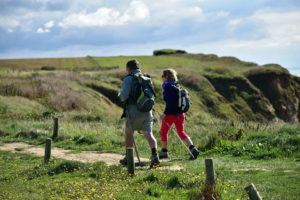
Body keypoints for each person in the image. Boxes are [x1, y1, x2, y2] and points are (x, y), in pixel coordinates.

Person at [118, 59, 160, 167]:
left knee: (129, 133)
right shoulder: (147, 78)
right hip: (147, 111)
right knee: (149, 134)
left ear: (129, 68)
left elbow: (123, 96)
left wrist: (120, 93)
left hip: (133, 111)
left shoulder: (129, 79)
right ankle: (155, 156)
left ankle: (128, 158)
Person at [159, 69, 199, 159]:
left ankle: (164, 152)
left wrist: (164, 114)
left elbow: (170, 103)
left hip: (170, 115)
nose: (161, 77)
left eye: (162, 76)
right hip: (180, 114)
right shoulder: (177, 86)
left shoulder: (168, 87)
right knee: (181, 132)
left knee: (164, 131)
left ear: (166, 77)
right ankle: (193, 148)